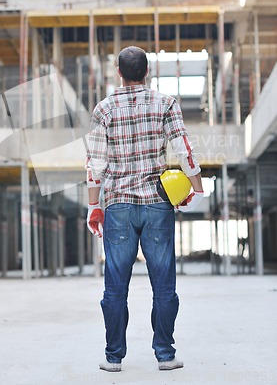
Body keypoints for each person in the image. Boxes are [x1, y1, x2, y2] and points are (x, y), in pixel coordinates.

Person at [85, 46, 203, 372]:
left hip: (119, 205)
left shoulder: (104, 109)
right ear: (147, 72)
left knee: (114, 286)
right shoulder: (166, 104)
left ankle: (113, 357)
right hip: (157, 204)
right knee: (164, 285)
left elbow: (95, 164)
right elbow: (184, 149)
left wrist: (94, 206)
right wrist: (197, 188)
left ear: (119, 73)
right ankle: (165, 354)